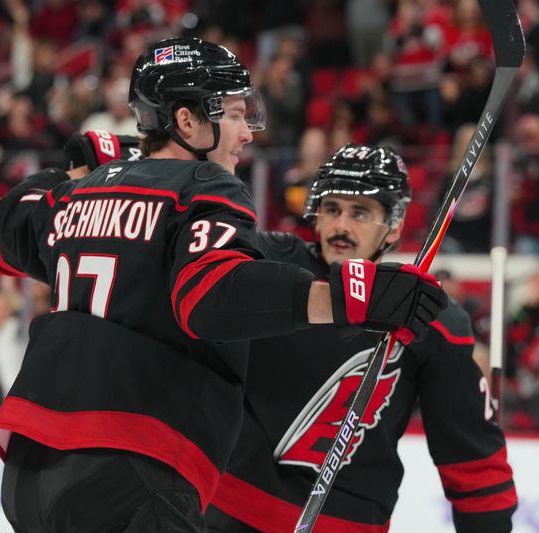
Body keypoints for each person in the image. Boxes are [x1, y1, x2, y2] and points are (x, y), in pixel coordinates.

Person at [0, 38, 448, 533]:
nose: (247, 133)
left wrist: (68, 176)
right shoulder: (203, 184)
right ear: (187, 121)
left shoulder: (83, 191)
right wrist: (348, 295)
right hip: (132, 464)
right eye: (236, 115)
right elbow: (209, 297)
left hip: (30, 467)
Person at [204, 144, 518, 532]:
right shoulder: (263, 265)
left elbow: (472, 459)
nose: (341, 227)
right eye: (332, 209)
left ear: (395, 227)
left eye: (361, 213)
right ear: (315, 217)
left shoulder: (428, 317)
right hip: (223, 509)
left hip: (344, 522)